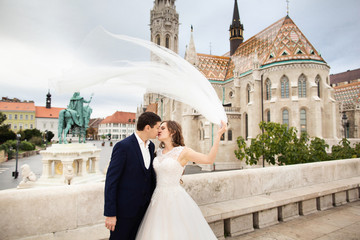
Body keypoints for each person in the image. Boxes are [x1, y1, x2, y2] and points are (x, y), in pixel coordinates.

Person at [135, 120, 227, 240]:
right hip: (156, 199)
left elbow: (209, 159)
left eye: (163, 128)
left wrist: (218, 135)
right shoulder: (157, 153)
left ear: (172, 132)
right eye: (159, 128)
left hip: (175, 199)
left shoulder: (183, 152)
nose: (159, 130)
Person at [104, 112, 161, 240]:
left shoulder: (151, 146)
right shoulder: (123, 146)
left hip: (144, 210)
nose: (158, 131)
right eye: (157, 127)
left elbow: (149, 176)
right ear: (147, 127)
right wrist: (110, 214)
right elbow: (111, 181)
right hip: (124, 212)